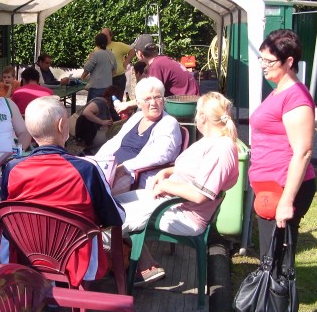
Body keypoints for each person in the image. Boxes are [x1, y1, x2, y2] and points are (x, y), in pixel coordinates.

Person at [0, 96, 165, 286]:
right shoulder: (86, 170)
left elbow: (7, 215)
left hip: (28, 255)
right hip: (76, 260)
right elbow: (114, 218)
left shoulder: (12, 169)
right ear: (62, 125)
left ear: (29, 129)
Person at [240, 29, 316, 312]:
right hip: (270, 188)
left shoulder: (295, 96)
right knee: (271, 259)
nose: (262, 66)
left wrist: (287, 201)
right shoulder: (279, 89)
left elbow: (302, 152)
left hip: (285, 190)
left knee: (280, 264)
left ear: (289, 61)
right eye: (261, 59)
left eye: (269, 61)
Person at [115, 91, 239, 244]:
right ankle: (140, 262)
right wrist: (167, 171)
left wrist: (166, 185)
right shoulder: (210, 140)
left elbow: (200, 195)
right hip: (171, 203)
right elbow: (195, 169)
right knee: (112, 203)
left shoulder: (221, 148)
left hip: (184, 215)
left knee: (111, 218)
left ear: (202, 117)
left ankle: (110, 262)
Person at [96, 77, 182, 194]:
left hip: (134, 175)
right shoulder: (137, 117)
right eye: (147, 99)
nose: (153, 103)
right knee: (84, 181)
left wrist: (125, 167)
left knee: (97, 193)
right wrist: (96, 161)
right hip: (112, 168)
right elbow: (115, 141)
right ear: (138, 103)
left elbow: (161, 154)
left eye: (157, 97)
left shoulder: (168, 123)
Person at [131, 34, 199, 97]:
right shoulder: (162, 60)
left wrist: (127, 104)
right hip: (192, 100)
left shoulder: (156, 65)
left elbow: (152, 95)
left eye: (135, 51)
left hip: (186, 105)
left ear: (140, 53)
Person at [74, 85, 122, 155]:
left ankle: (89, 152)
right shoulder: (100, 102)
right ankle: (90, 153)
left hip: (92, 134)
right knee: (114, 137)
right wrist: (102, 122)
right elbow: (86, 112)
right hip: (89, 135)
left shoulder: (106, 105)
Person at [81, 33, 117, 101]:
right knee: (104, 108)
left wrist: (89, 58)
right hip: (108, 87)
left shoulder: (96, 54)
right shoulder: (111, 54)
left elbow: (87, 68)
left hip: (96, 88)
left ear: (96, 42)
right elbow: (114, 71)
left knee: (92, 109)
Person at [101, 28, 136, 95]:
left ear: (111, 36)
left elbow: (132, 51)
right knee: (104, 100)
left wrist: (126, 62)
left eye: (106, 35)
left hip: (118, 79)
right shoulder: (98, 47)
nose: (104, 37)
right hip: (103, 79)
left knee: (117, 100)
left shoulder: (118, 45)